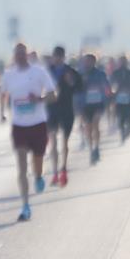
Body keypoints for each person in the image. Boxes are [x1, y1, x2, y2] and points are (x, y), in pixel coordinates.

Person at [0, 43, 57, 221]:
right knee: (22, 167)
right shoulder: (9, 75)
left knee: (37, 161)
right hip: (19, 126)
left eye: (22, 54)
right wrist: (1, 112)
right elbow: (3, 94)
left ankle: (39, 176)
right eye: (17, 54)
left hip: (38, 123)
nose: (20, 57)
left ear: (27, 55)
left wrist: (39, 99)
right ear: (14, 56)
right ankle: (25, 205)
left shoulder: (39, 72)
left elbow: (53, 95)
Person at [46, 45, 82, 187]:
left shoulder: (70, 71)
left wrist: (70, 82)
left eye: (60, 56)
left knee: (65, 142)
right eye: (56, 56)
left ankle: (64, 168)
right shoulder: (47, 72)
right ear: (53, 56)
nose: (58, 58)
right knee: (53, 140)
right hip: (51, 110)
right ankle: (55, 172)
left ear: (63, 57)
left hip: (67, 109)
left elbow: (79, 88)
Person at [80, 53, 110, 164]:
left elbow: (106, 87)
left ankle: (97, 148)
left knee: (96, 124)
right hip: (86, 105)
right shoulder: (81, 74)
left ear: (94, 62)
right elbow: (77, 91)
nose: (87, 63)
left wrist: (107, 95)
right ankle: (91, 149)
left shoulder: (100, 74)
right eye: (85, 61)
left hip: (98, 103)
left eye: (89, 61)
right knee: (88, 128)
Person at [112, 55, 130, 144]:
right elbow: (111, 85)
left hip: (129, 98)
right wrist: (115, 92)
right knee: (120, 117)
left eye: (124, 62)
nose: (123, 63)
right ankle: (122, 134)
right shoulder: (115, 73)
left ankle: (129, 130)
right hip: (118, 99)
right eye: (121, 61)